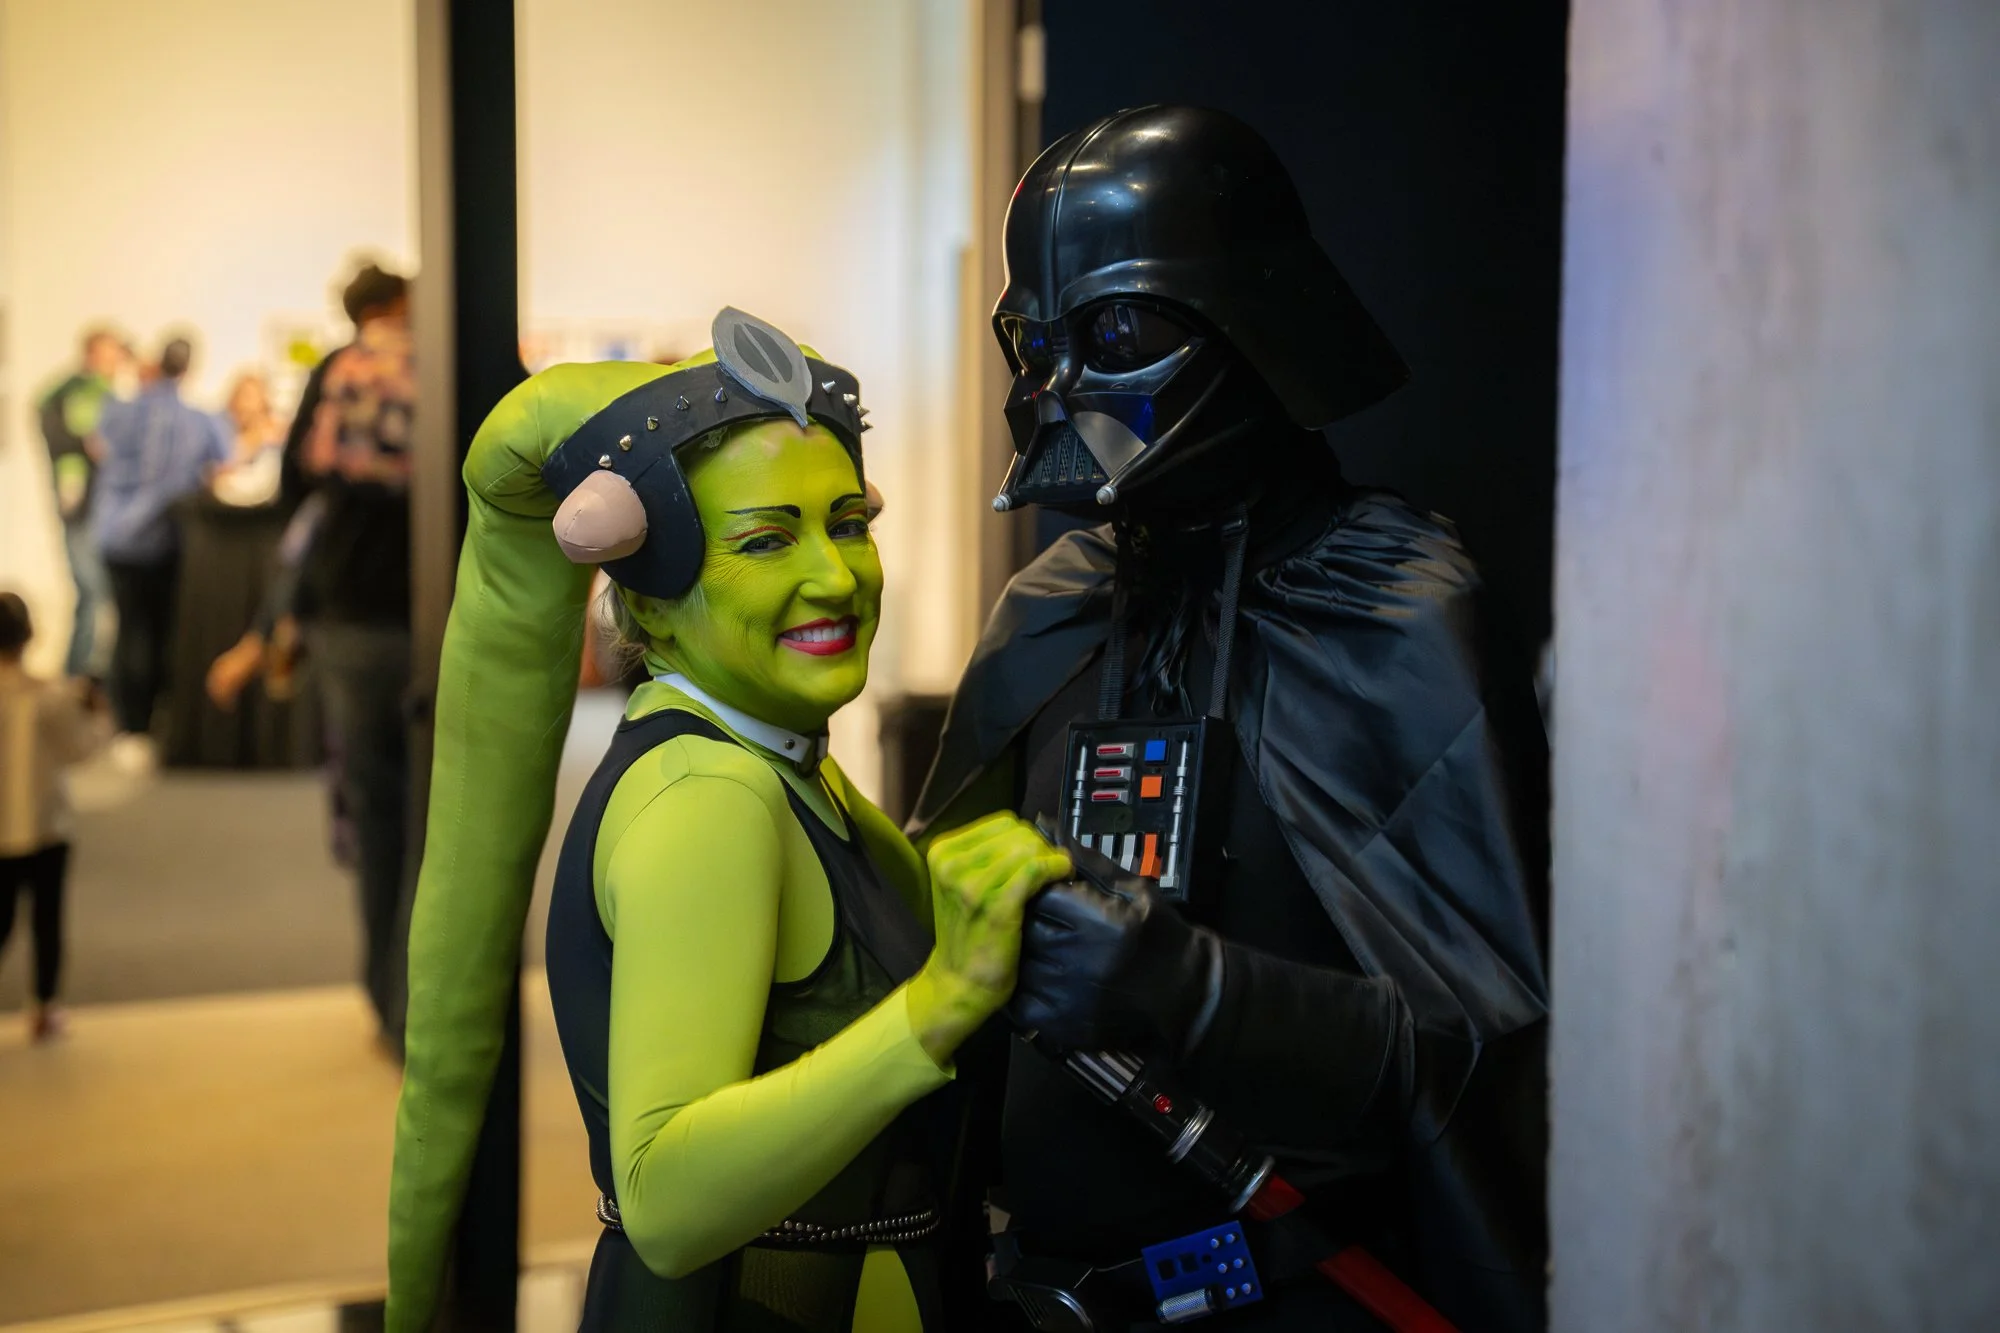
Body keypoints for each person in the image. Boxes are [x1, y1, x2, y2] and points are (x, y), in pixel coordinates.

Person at [911, 107, 1552, 1331]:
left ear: (1247, 318)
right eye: (1030, 341)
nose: (1057, 388)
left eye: (1109, 331)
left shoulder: (1388, 606)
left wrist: (1200, 991)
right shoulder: (1049, 609)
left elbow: (1491, 1051)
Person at [384, 309, 1072, 1332]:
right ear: (651, 603)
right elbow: (664, 1200)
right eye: (765, 539)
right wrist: (935, 1004)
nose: (835, 576)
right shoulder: (713, 798)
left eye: (847, 522)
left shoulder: (788, 768)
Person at [289, 263, 418, 1050]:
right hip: (433, 613)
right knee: (439, 822)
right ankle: (419, 1000)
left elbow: (289, 484)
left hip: (349, 619)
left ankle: (381, 996)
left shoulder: (336, 375)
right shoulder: (436, 369)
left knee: (375, 816)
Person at [92, 333, 231, 753]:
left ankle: (130, 728)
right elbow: (224, 460)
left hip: (116, 537)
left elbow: (99, 448)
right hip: (164, 542)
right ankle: (155, 725)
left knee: (128, 630)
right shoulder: (198, 419)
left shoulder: (119, 411)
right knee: (159, 633)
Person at [0, 593, 111, 1041]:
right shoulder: (52, 697)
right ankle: (45, 1008)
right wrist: (98, 714)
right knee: (47, 921)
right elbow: (83, 750)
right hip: (48, 828)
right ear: (29, 635)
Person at [38, 328, 130, 681]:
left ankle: (82, 674)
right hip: (80, 506)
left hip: (104, 509)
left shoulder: (109, 395)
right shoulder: (71, 393)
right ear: (92, 353)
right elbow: (54, 424)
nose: (115, 361)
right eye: (109, 353)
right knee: (94, 591)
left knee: (96, 594)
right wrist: (84, 446)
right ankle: (80, 676)